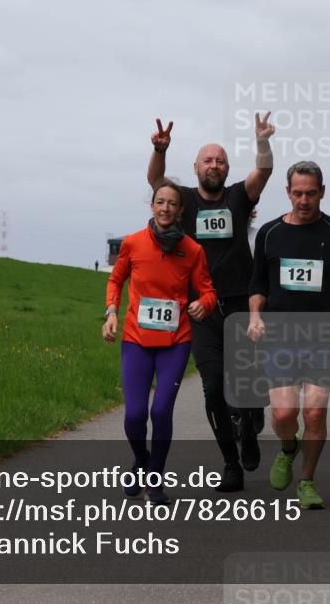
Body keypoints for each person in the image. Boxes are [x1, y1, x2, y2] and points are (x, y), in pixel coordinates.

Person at [147, 115, 275, 492]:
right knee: (214, 388)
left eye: (220, 161)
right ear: (196, 168)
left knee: (246, 385)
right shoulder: (183, 200)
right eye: (208, 160)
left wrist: (262, 142)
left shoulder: (238, 196)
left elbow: (263, 173)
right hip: (200, 309)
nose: (214, 165)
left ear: (226, 169)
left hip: (240, 304)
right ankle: (231, 464)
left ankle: (250, 423)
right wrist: (159, 149)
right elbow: (156, 181)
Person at [247, 161, 330, 509]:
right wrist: (254, 316)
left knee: (314, 415)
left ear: (322, 192)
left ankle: (307, 482)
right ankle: (287, 447)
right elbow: (257, 285)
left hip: (321, 337)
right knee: (284, 415)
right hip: (279, 337)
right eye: (297, 193)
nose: (304, 200)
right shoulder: (269, 233)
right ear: (287, 193)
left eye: (311, 193)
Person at [103, 179, 217, 505]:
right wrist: (112, 312)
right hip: (136, 340)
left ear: (181, 211)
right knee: (135, 414)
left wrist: (203, 304)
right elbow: (116, 279)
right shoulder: (133, 244)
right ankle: (141, 460)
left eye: (172, 203)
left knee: (162, 410)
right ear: (152, 206)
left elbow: (208, 291)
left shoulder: (192, 250)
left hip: (175, 341)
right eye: (160, 202)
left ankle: (155, 478)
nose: (165, 208)